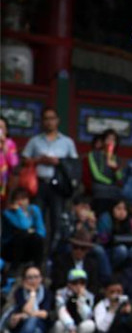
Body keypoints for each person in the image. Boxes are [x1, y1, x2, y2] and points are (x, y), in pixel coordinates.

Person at [21, 107, 79, 250]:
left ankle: (53, 255)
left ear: (57, 121)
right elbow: (24, 160)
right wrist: (39, 160)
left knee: (56, 222)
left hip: (58, 187)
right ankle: (35, 254)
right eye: (46, 118)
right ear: (42, 121)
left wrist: (58, 162)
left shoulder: (67, 142)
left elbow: (74, 164)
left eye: (52, 118)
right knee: (36, 219)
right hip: (39, 185)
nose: (49, 122)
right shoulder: (35, 141)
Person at [51, 269, 96, 333]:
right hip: (65, 329)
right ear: (69, 283)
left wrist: (81, 299)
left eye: (82, 282)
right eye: (75, 282)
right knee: (59, 324)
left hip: (79, 329)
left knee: (90, 324)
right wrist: (71, 329)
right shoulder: (60, 293)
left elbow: (87, 316)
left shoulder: (89, 296)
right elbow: (61, 311)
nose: (79, 286)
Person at [1, 187, 46, 270]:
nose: (21, 202)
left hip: (28, 247)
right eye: (17, 199)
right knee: (22, 234)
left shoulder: (34, 210)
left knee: (37, 238)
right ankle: (14, 270)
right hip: (11, 249)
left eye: (23, 199)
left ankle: (38, 268)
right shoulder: (8, 213)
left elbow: (42, 231)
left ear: (28, 200)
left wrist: (32, 233)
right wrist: (19, 211)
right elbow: (24, 226)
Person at [50, 229, 103, 296]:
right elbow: (58, 283)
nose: (78, 251)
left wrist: (83, 291)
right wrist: (72, 288)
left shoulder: (92, 264)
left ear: (87, 250)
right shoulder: (61, 261)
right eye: (75, 247)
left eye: (82, 248)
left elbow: (94, 285)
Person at [87, 129, 123, 218]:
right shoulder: (93, 155)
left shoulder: (117, 159)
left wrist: (115, 169)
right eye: (108, 139)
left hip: (113, 192)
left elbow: (120, 179)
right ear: (103, 141)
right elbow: (96, 175)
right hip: (100, 190)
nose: (110, 142)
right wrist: (110, 182)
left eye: (113, 140)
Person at [97, 200, 132, 271]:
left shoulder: (130, 221)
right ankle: (111, 270)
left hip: (128, 248)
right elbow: (103, 239)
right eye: (118, 209)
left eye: (124, 209)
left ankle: (129, 272)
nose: (122, 212)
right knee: (122, 249)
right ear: (112, 209)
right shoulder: (106, 218)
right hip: (109, 249)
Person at [0, 115, 20, 202]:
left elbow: (14, 163)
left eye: (2, 128)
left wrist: (4, 147)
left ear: (6, 131)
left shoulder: (10, 144)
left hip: (4, 182)